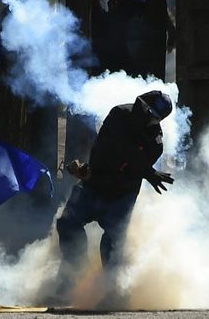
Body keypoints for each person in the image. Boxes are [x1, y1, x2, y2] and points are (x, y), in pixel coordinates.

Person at [56, 90, 174, 289]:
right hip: (91, 184)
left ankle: (111, 291)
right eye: (145, 109)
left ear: (158, 121)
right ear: (139, 102)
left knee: (113, 243)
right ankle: (72, 275)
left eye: (153, 116)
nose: (146, 116)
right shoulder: (118, 114)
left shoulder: (155, 144)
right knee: (67, 223)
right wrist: (147, 171)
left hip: (121, 195)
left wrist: (143, 170)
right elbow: (119, 145)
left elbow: (128, 168)